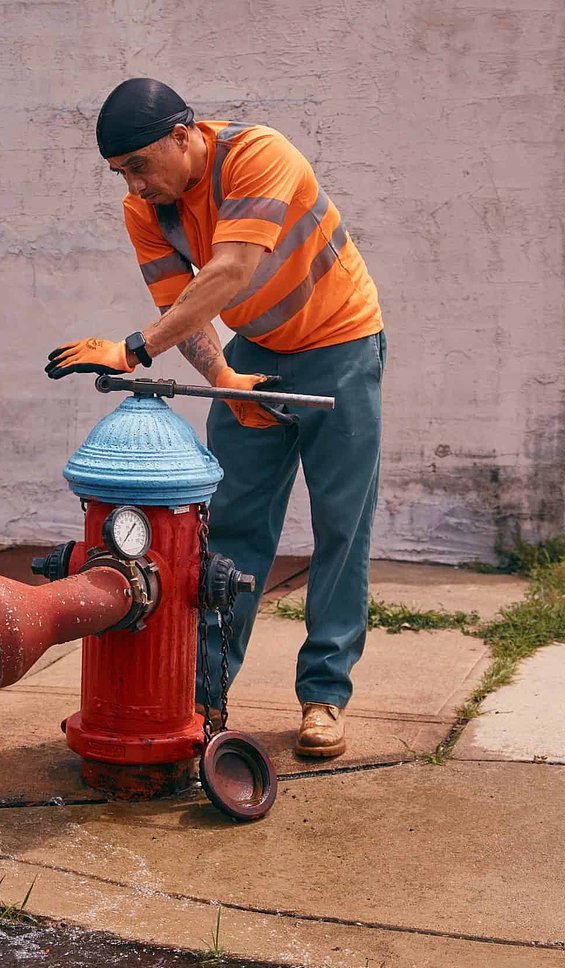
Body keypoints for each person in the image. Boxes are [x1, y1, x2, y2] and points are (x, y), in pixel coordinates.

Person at [44, 79, 384, 759]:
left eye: (140, 166)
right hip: (257, 348)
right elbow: (183, 302)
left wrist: (135, 349)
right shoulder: (148, 209)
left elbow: (228, 270)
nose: (134, 186)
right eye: (120, 173)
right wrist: (225, 379)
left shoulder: (259, 155)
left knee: (342, 525)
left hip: (342, 343)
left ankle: (324, 694)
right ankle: (204, 692)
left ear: (183, 134)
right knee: (228, 530)